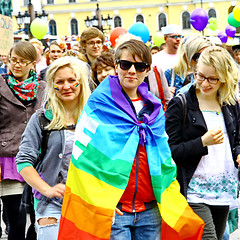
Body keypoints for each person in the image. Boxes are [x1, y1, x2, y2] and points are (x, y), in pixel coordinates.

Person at [58, 39, 205, 240]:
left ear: (148, 70)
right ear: (116, 66)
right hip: (115, 208)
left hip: (149, 208)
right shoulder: (99, 104)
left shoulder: (155, 109)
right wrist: (103, 202)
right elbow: (85, 159)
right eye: (126, 64)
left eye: (140, 66)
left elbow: (164, 159)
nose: (132, 71)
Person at [165, 46, 240, 240]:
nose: (204, 83)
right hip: (193, 190)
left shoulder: (229, 103)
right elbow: (170, 150)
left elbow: (237, 139)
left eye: (212, 79)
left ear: (224, 78)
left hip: (224, 188)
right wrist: (201, 142)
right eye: (200, 76)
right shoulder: (181, 103)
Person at [16, 56, 91, 240]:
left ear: (81, 82)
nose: (66, 86)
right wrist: (47, 189)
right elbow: (23, 161)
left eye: (72, 80)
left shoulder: (94, 117)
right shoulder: (42, 119)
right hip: (52, 205)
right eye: (60, 82)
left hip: (89, 202)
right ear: (52, 85)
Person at [0, 41, 45, 240]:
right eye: (13, 61)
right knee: (16, 222)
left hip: (38, 161)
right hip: (8, 160)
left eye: (22, 61)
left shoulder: (43, 88)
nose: (17, 65)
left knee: (37, 222)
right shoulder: (1, 85)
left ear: (32, 64)